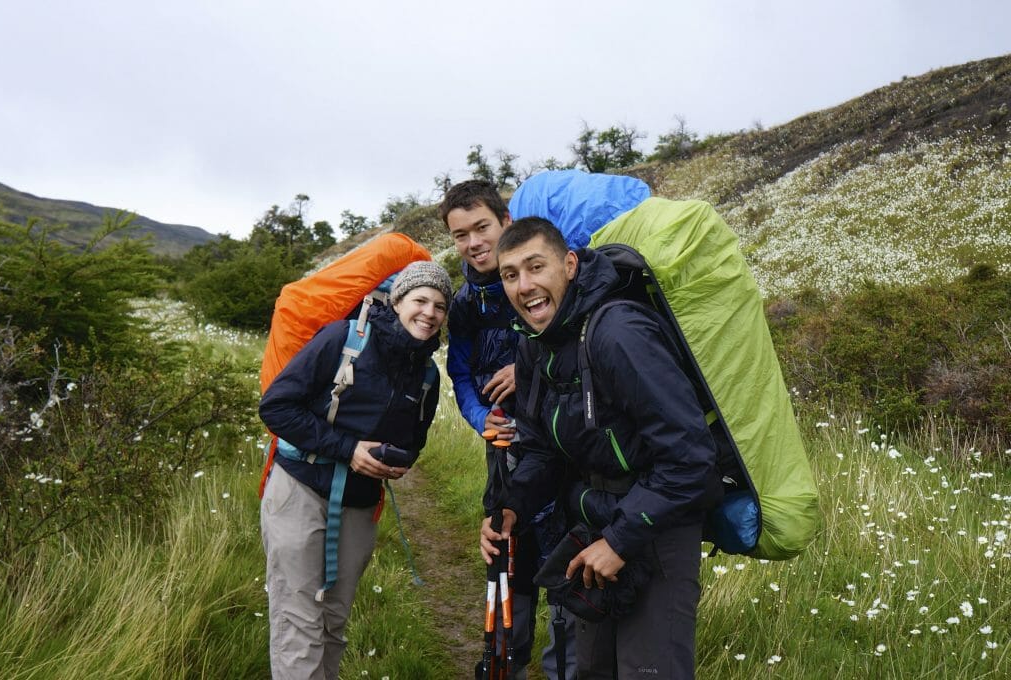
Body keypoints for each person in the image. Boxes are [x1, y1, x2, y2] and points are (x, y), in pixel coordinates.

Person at [481, 217, 722, 679]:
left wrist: (620, 539)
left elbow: (691, 457)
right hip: (594, 527)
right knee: (591, 672)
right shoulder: (534, 345)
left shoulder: (618, 333)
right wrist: (512, 506)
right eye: (510, 275)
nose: (525, 286)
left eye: (536, 267)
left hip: (658, 531)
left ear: (569, 265)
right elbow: (542, 448)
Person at [259, 260, 452, 680]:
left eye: (439, 305)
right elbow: (276, 407)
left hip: (359, 504)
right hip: (300, 488)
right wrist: (348, 449)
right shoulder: (341, 340)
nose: (430, 312)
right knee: (299, 619)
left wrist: (396, 460)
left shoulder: (427, 376)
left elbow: (414, 442)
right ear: (397, 301)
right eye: (420, 299)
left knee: (333, 619)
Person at [441, 180, 576, 680]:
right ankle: (505, 661)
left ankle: (565, 667)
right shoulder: (463, 305)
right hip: (503, 452)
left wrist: (529, 368)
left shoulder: (539, 279)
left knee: (563, 554)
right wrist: (482, 420)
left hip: (561, 449)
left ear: (504, 221)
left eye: (482, 227)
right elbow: (459, 371)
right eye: (460, 235)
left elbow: (569, 344)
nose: (474, 242)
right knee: (508, 553)